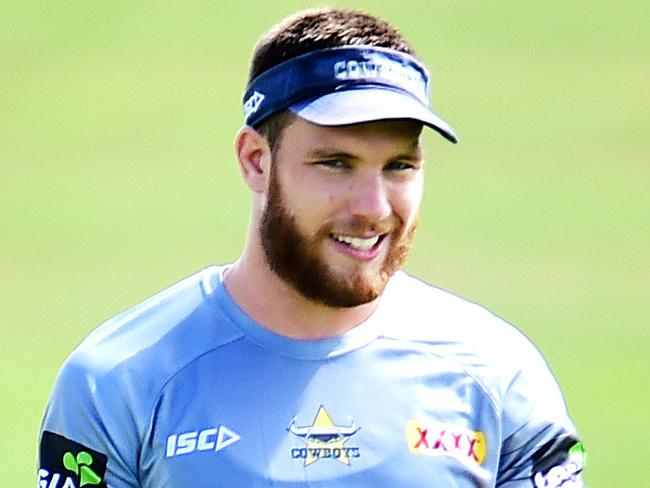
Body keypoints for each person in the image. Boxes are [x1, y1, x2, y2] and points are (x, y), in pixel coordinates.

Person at [38, 7, 586, 487]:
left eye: (400, 166)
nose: (373, 207)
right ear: (256, 160)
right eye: (335, 164)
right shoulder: (118, 381)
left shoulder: (499, 378)